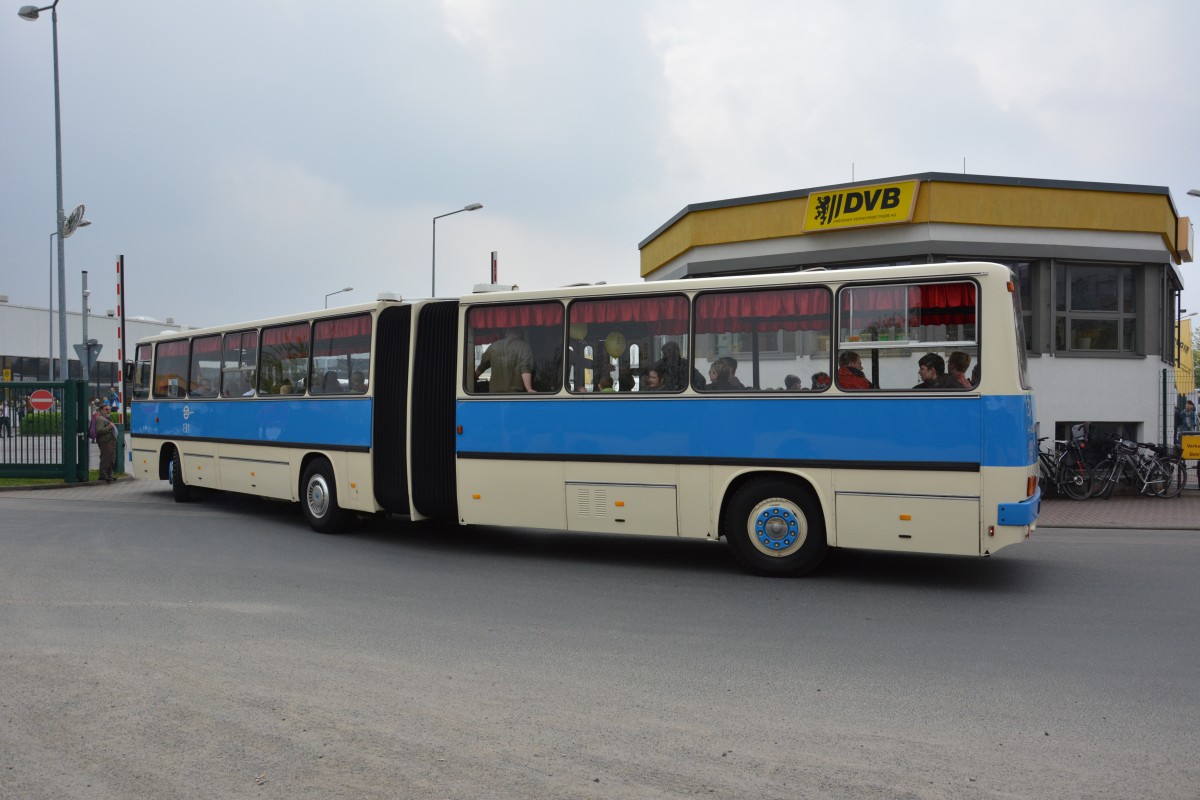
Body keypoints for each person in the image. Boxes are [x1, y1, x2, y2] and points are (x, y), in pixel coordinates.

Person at [475, 328, 534, 393]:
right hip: (516, 394)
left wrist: (473, 379)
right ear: (519, 334)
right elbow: (525, 368)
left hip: (494, 394)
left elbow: (481, 367)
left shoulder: (493, 347)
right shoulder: (524, 347)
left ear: (506, 333)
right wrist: (529, 389)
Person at [93, 402, 118, 483]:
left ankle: (109, 474)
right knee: (106, 458)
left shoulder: (105, 418)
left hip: (110, 441)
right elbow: (99, 430)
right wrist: (109, 427)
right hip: (105, 442)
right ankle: (103, 475)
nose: (108, 411)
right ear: (101, 410)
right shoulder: (100, 419)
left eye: (109, 409)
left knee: (111, 458)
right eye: (106, 409)